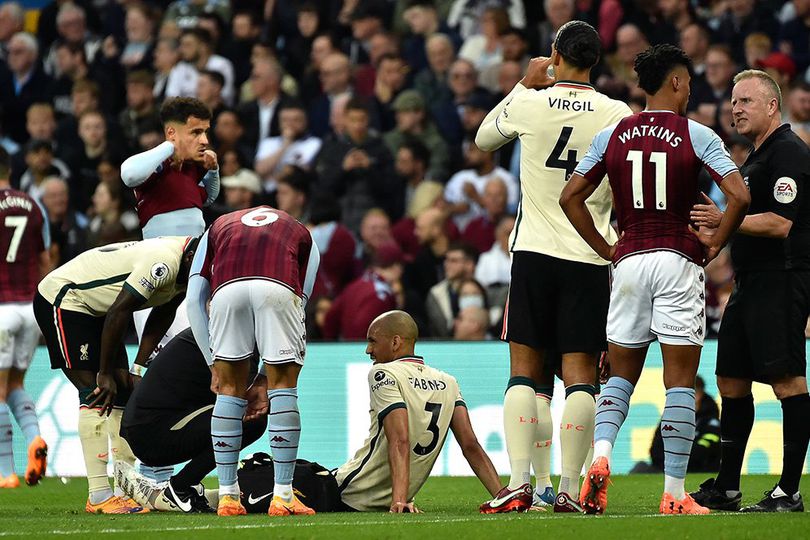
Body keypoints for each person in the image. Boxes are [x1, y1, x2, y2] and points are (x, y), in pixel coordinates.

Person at [560, 44, 749, 515]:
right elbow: (739, 195)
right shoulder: (697, 134)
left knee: (620, 377)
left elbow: (570, 197)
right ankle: (673, 493)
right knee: (680, 382)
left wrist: (608, 249)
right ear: (678, 82)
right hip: (676, 260)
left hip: (628, 262)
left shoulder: (612, 135)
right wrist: (714, 244)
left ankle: (599, 459)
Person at [475, 21, 634, 513]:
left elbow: (484, 139)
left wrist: (524, 82)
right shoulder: (618, 113)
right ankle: (568, 489)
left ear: (554, 55)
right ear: (596, 62)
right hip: (590, 255)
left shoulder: (529, 101)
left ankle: (520, 484)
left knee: (524, 373)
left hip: (534, 253)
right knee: (581, 375)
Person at [120, 310, 502, 514]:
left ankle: (164, 493)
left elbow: (399, 440)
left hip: (342, 492)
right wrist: (502, 494)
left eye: (372, 341)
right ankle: (184, 489)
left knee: (261, 481)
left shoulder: (384, 373)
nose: (368, 350)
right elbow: (471, 447)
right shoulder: (448, 380)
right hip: (340, 484)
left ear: (396, 342)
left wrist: (398, 500)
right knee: (279, 468)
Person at [689, 69, 810, 513]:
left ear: (772, 105)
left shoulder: (789, 154)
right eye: (733, 102)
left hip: (782, 279)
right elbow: (744, 226)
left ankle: (789, 491)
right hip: (750, 282)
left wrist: (724, 222)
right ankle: (727, 485)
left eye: (746, 101)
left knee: (787, 382)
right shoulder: (755, 158)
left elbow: (780, 223)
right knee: (731, 382)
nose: (735, 109)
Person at [33, 235, 200, 513]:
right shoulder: (163, 262)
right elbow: (119, 311)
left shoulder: (189, 268)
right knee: (96, 391)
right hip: (64, 298)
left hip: (98, 309)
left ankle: (126, 488)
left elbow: (163, 312)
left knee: (123, 390)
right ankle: (98, 494)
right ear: (191, 256)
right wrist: (103, 372)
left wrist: (138, 367)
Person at [186, 206, 320, 517]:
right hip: (278, 287)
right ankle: (284, 495)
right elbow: (302, 299)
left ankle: (229, 495)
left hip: (226, 291)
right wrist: (265, 376)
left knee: (229, 389)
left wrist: (213, 364)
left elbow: (193, 300)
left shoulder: (217, 226)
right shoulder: (300, 231)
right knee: (284, 386)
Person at [119, 97, 220, 403]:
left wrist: (212, 171)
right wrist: (169, 146)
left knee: (203, 353)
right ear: (173, 133)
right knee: (166, 357)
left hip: (196, 266)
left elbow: (206, 199)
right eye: (195, 132)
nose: (204, 140)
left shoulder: (189, 170)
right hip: (158, 268)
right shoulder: (153, 165)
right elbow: (128, 174)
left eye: (206, 132)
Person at [115, 328, 267, 513]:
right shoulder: (235, 343)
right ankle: (179, 487)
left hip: (150, 428)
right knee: (250, 421)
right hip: (152, 434)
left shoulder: (222, 331)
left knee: (239, 414)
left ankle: (189, 488)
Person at [0, 148, 50, 488]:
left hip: (1, 308)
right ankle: (34, 438)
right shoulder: (34, 206)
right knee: (15, 384)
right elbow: (47, 261)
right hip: (30, 308)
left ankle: (5, 472)